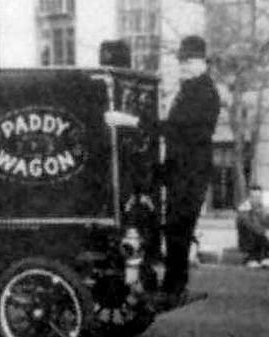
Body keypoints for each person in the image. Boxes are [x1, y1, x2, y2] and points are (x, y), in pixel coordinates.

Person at [104, 35, 221, 306]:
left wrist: (130, 120)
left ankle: (173, 288)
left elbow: (175, 129)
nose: (184, 66)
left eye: (189, 61)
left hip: (190, 172)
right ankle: (162, 280)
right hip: (180, 168)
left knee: (178, 228)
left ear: (204, 62)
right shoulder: (191, 88)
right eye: (182, 61)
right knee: (167, 223)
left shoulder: (203, 92)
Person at [237, 185, 269, 268]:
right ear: (249, 197)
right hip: (249, 242)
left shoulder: (263, 209)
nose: (256, 199)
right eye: (254, 197)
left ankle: (265, 257)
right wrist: (265, 232)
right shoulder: (243, 209)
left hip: (261, 242)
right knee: (251, 230)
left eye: (258, 197)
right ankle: (250, 259)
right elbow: (249, 224)